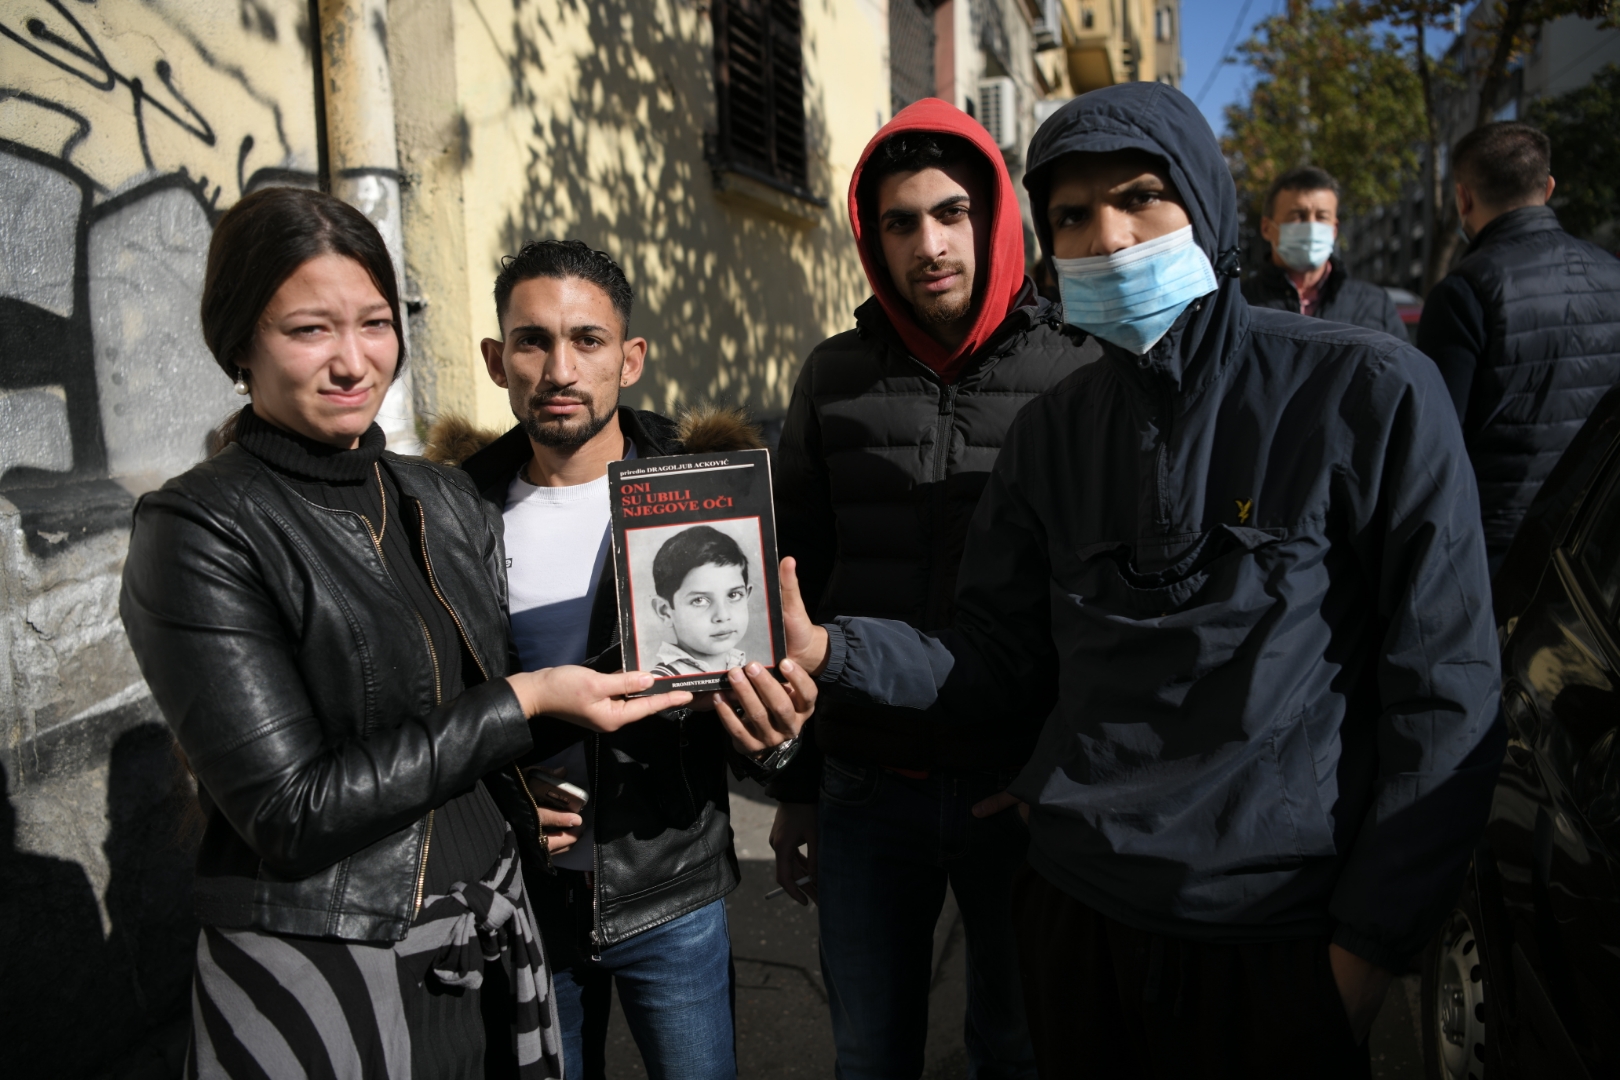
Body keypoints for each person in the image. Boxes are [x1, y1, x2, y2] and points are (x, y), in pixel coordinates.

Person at [776, 82, 1505, 1078]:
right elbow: (995, 660)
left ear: (1206, 206)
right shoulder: (1054, 436)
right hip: (1079, 929)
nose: (1109, 238)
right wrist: (833, 650)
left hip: (1275, 940)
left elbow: (1444, 694)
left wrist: (1366, 953)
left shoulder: (1368, 393)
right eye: (1071, 216)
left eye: (1140, 197)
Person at [119, 188, 695, 1078]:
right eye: (310, 330)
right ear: (240, 344)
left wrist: (511, 788)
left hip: (491, 943)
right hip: (336, 964)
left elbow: (455, 708)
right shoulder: (199, 528)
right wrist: (527, 703)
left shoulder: (439, 496)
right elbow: (290, 811)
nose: (353, 361)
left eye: (375, 323)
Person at [766, 98, 1096, 1080]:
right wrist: (799, 788)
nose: (930, 243)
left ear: (994, 218)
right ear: (873, 239)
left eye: (951, 213)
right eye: (900, 222)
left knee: (1019, 1047)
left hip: (1021, 795)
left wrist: (1059, 775)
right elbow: (798, 581)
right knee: (870, 1052)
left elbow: (1109, 608)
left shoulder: (1080, 374)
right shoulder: (831, 377)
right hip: (869, 789)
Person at [447, 239, 815, 1080]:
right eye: (533, 341)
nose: (560, 367)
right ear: (498, 360)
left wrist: (782, 739)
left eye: (588, 340)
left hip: (669, 885)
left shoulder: (701, 494)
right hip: (522, 900)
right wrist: (496, 798)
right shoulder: (451, 512)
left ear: (631, 358)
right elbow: (435, 702)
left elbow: (752, 701)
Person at [1417, 121, 1620, 575]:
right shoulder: (1613, 273)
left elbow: (1436, 442)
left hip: (1496, 551)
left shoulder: (1465, 291)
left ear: (1462, 198)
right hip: (1596, 545)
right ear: (1547, 188)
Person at [1244, 165, 1405, 336]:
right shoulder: (1239, 302)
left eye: (1322, 217)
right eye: (1298, 216)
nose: (1312, 227)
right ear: (1267, 228)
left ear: (1334, 229)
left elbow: (1401, 362)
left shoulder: (1375, 305)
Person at [647, 525, 753, 677]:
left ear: (747, 595)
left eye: (733, 595)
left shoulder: (744, 668)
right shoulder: (659, 683)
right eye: (700, 600)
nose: (722, 616)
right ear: (665, 612)